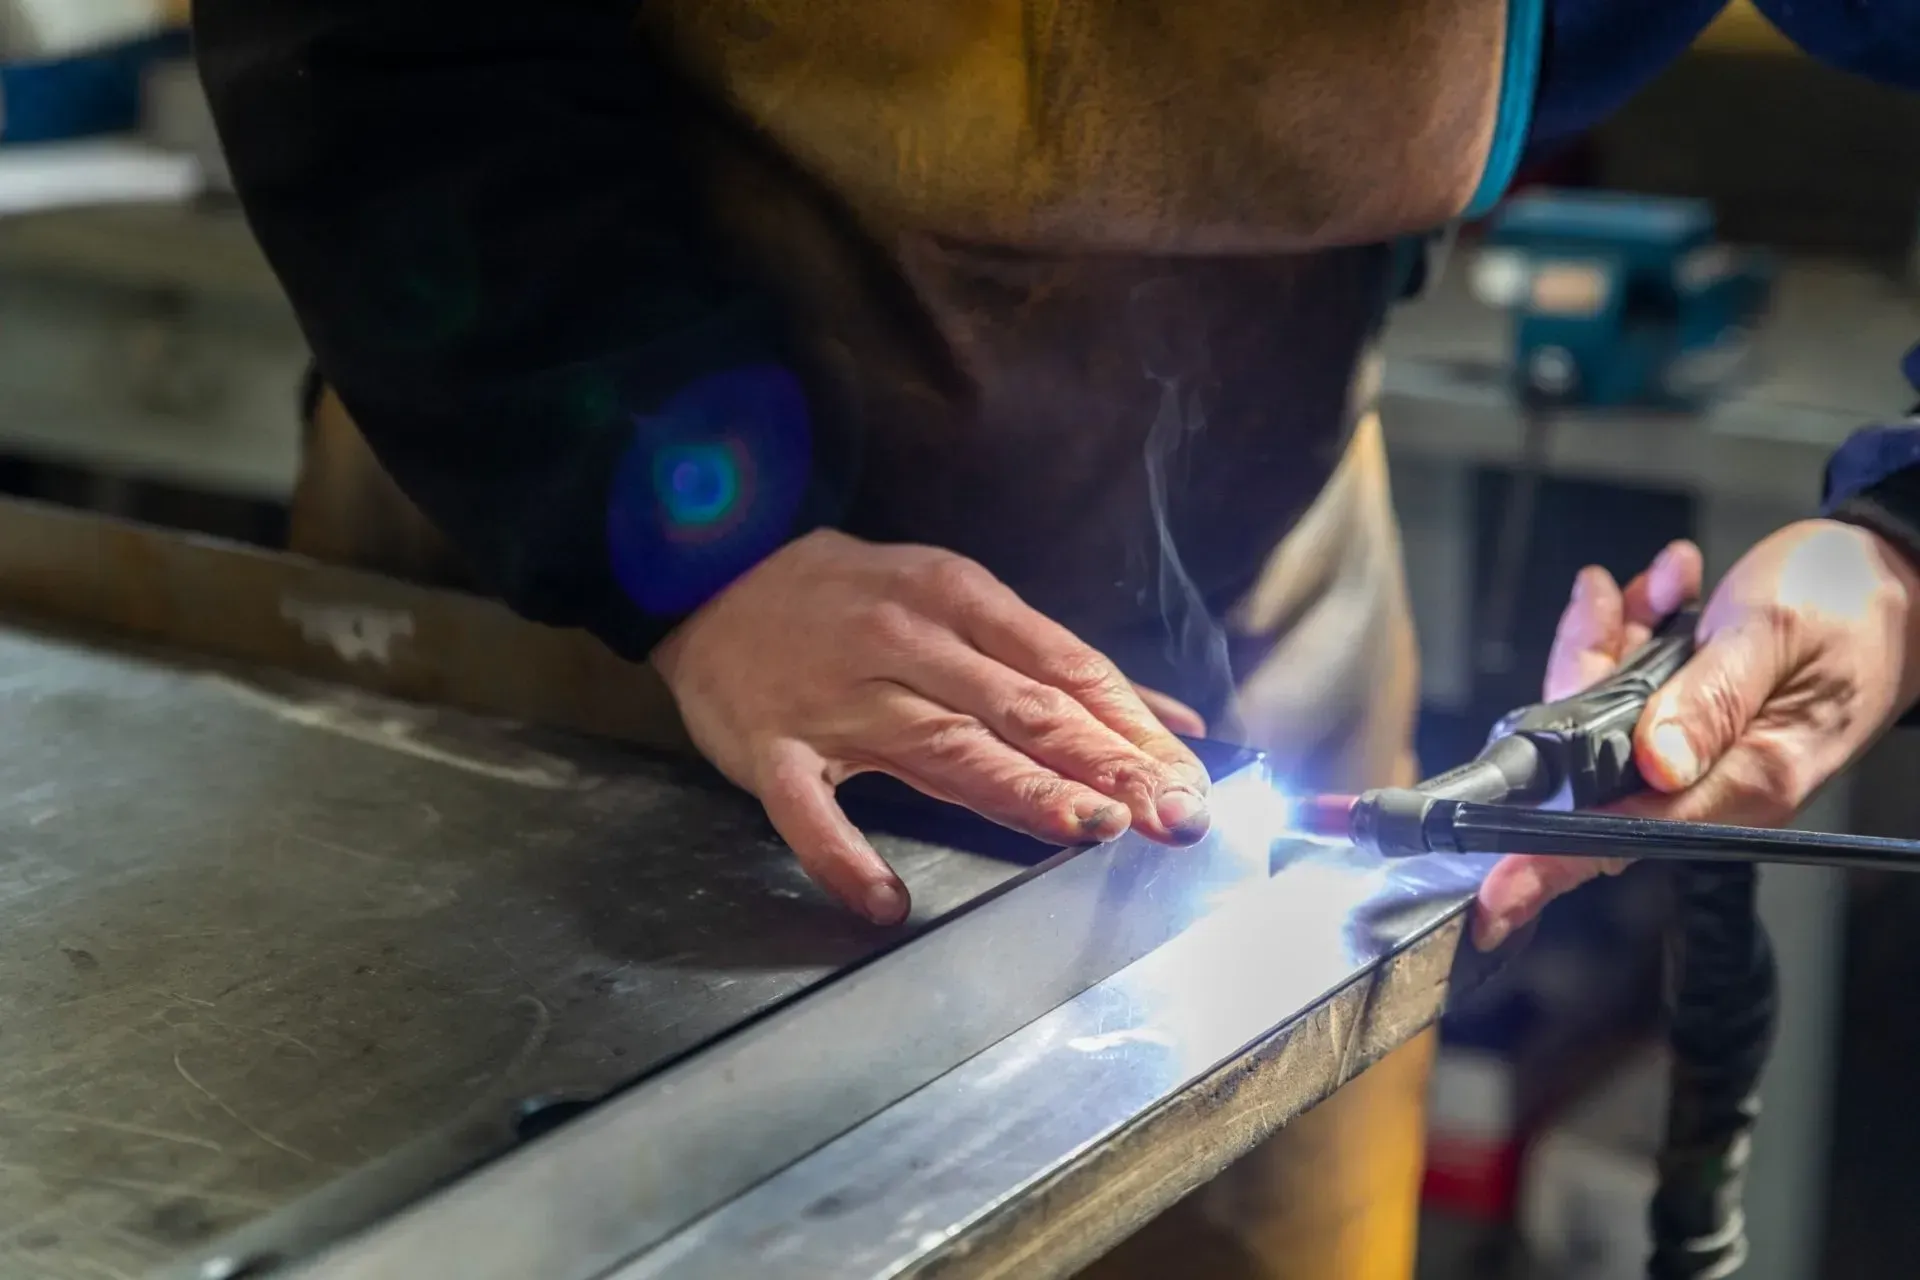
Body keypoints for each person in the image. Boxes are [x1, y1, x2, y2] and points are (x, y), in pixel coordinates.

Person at [191, 1, 1920, 1277]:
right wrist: (687, 543)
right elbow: (366, 36)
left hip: (1263, 614)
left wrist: (1900, 547)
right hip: (569, 608)